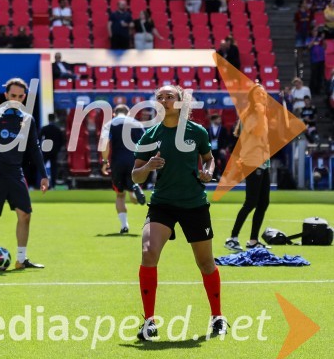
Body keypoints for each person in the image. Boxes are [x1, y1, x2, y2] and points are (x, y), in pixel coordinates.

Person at [132, 85, 224, 341]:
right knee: (148, 252)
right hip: (162, 204)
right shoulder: (150, 135)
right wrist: (148, 166)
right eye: (159, 97)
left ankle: (217, 317)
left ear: (181, 102)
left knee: (205, 262)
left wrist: (208, 171)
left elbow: (209, 158)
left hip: (194, 203)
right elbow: (136, 176)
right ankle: (149, 321)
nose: (164, 100)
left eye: (169, 96)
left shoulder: (197, 131)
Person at [0, 78, 49, 271]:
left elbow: (35, 148)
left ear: (24, 97)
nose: (16, 99)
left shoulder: (28, 119)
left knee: (25, 215)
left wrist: (44, 174)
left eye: (20, 96)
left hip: (15, 172)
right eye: (12, 95)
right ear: (6, 95)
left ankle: (21, 260)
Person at [225, 85, 273, 251]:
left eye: (264, 93)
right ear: (252, 97)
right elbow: (258, 132)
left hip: (263, 161)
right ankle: (232, 238)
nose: (262, 95)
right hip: (252, 161)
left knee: (263, 202)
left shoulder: (260, 114)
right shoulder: (253, 115)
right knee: (251, 202)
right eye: (258, 93)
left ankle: (253, 240)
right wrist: (259, 112)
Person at [102, 105, 147, 234]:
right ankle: (134, 190)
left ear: (114, 114)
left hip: (117, 162)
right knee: (133, 194)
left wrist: (105, 162)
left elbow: (105, 144)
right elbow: (146, 143)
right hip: (134, 161)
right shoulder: (137, 124)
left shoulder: (109, 124)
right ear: (128, 113)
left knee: (120, 195)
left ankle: (124, 226)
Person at [39, 113, 64, 189]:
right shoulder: (57, 129)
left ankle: (41, 184)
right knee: (54, 169)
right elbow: (62, 140)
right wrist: (58, 149)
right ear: (54, 119)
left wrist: (41, 148)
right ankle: (53, 185)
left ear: (48, 119)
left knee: (42, 168)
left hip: (46, 150)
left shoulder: (45, 128)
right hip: (54, 151)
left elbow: (39, 138)